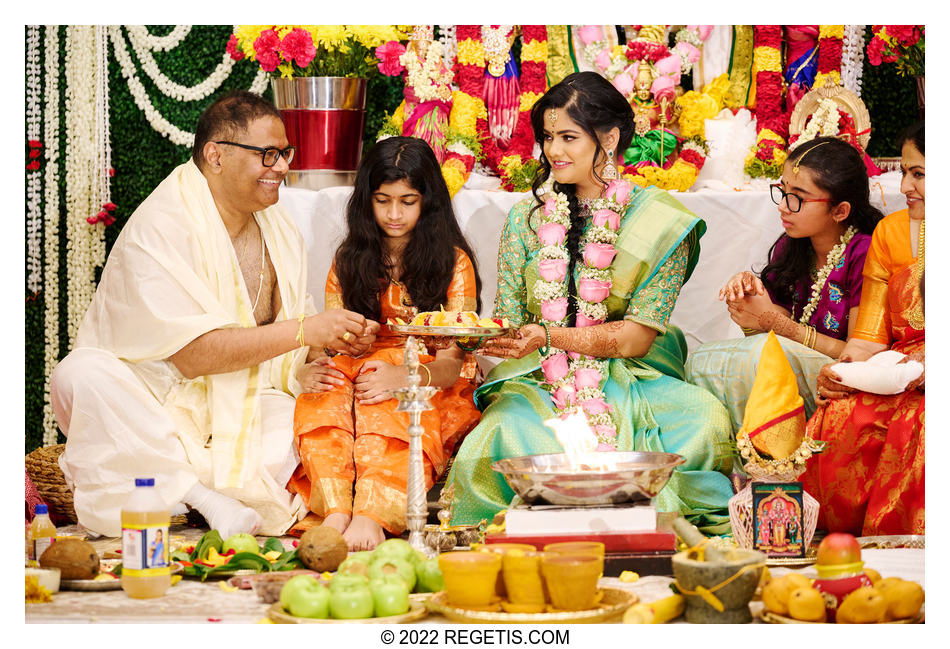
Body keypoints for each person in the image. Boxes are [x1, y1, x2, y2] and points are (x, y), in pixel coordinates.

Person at [50, 91, 375, 539]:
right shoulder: (163, 224)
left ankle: (169, 485)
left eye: (285, 153)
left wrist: (320, 352)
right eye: (268, 154)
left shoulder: (277, 224)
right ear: (215, 156)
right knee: (79, 374)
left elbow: (286, 345)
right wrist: (304, 331)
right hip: (155, 402)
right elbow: (194, 357)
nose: (282, 167)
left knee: (323, 423)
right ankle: (206, 499)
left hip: (247, 398)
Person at [446, 72, 735, 534]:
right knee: (505, 432)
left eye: (567, 137)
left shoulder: (659, 220)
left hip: (631, 373)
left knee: (704, 419)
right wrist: (482, 336)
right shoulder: (527, 215)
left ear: (610, 137)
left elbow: (639, 337)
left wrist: (549, 333)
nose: (553, 151)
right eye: (546, 137)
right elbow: (510, 317)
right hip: (540, 374)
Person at [288, 136, 483, 551]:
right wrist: (314, 366)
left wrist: (403, 376)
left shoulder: (454, 262)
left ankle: (374, 515)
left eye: (407, 201)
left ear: (427, 202)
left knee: (389, 395)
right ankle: (335, 509)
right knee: (324, 392)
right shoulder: (349, 261)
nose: (394, 214)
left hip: (432, 381)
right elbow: (329, 344)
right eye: (383, 200)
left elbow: (452, 364)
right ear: (366, 201)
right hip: (360, 370)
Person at [686, 137, 882, 433]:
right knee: (703, 360)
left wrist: (777, 324)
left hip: (840, 380)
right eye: (783, 191)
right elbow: (767, 332)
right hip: (792, 369)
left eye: (797, 197)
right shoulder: (792, 247)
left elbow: (858, 355)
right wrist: (748, 304)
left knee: (757, 358)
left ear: (840, 211)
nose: (783, 207)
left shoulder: (864, 253)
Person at [802, 121, 925, 536]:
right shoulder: (891, 232)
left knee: (919, 423)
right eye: (906, 171)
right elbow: (869, 336)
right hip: (903, 368)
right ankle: (851, 539)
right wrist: (843, 371)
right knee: (841, 411)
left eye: (919, 174)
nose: (905, 185)